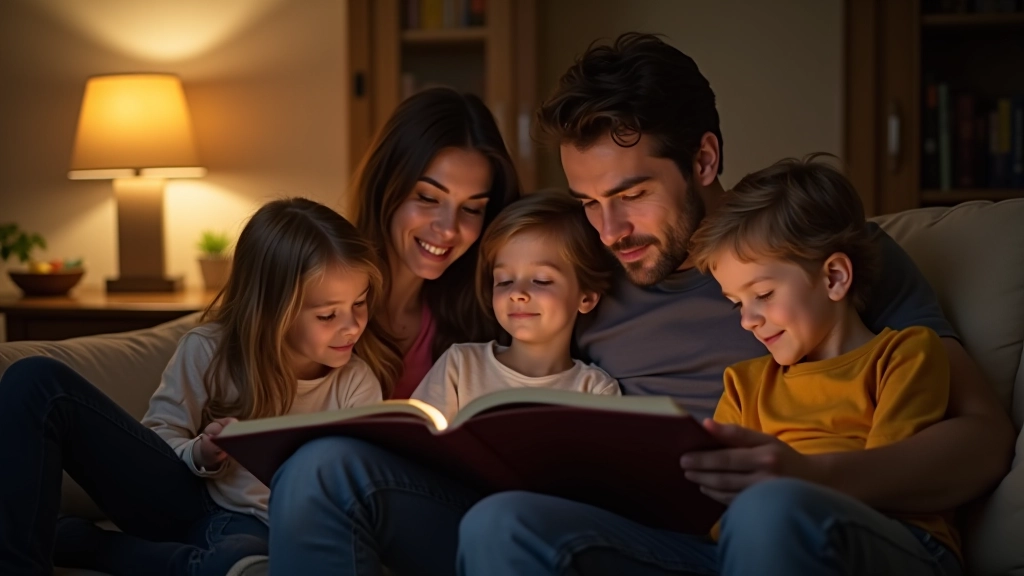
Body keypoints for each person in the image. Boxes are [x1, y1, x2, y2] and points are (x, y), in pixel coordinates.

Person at [269, 33, 1012, 576]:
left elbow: (982, 437)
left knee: (767, 512)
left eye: (631, 196)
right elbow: (419, 281)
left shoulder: (810, 253)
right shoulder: (567, 267)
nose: (610, 230)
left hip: (807, 517)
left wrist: (809, 476)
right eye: (589, 202)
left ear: (705, 160)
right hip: (643, 541)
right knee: (331, 470)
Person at [579, 155, 958, 575]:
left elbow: (885, 482)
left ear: (834, 278)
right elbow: (716, 519)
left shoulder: (903, 357)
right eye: (736, 303)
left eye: (763, 294)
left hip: (896, 540)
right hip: (761, 541)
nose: (747, 319)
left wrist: (779, 492)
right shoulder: (746, 384)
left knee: (767, 506)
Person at [0, 198, 392, 576]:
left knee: (238, 561)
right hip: (179, 494)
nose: (353, 325)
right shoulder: (209, 349)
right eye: (328, 314)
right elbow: (159, 434)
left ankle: (87, 545)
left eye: (360, 303)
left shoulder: (356, 384)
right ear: (274, 311)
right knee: (34, 380)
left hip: (254, 526)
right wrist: (202, 452)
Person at [348, 87, 522, 398]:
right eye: (428, 198)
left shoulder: (480, 317)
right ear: (385, 185)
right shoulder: (314, 294)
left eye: (471, 209)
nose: (448, 230)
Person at [411, 191, 620, 422]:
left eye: (541, 280)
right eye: (504, 281)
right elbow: (413, 441)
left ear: (587, 298)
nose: (517, 293)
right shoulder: (460, 366)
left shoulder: (596, 391)